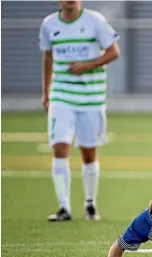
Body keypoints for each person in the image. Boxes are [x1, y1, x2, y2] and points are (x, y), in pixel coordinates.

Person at [39, 0, 120, 221]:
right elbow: (47, 57)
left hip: (91, 99)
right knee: (60, 147)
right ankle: (64, 207)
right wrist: (46, 93)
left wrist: (86, 65)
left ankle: (90, 203)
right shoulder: (49, 24)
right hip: (61, 97)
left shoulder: (95, 21)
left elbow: (114, 52)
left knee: (88, 152)